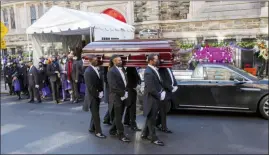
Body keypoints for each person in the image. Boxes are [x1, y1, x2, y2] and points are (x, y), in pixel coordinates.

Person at [141, 53, 166, 146]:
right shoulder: (148, 72)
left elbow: (158, 83)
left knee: (150, 117)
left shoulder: (153, 70)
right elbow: (151, 88)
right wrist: (159, 95)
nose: (158, 60)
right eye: (156, 59)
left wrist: (162, 91)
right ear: (151, 60)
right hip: (151, 99)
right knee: (152, 119)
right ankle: (153, 138)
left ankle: (144, 134)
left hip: (154, 98)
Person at [107, 54, 130, 142]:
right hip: (116, 97)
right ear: (114, 62)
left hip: (123, 95)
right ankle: (121, 135)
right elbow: (113, 87)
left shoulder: (122, 69)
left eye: (120, 60)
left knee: (119, 116)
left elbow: (125, 81)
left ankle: (112, 130)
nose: (120, 61)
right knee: (119, 117)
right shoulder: (111, 71)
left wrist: (126, 92)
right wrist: (123, 94)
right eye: (118, 60)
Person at [84, 55, 106, 139]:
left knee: (95, 113)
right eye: (95, 60)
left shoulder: (96, 69)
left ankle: (91, 127)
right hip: (92, 97)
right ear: (90, 61)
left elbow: (98, 82)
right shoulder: (88, 71)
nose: (97, 61)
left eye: (97, 60)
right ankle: (98, 132)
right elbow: (90, 87)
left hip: (96, 95)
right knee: (96, 115)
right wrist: (98, 94)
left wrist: (101, 92)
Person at [156, 67, 178, 133]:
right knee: (163, 110)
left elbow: (172, 77)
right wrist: (171, 88)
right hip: (165, 91)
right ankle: (164, 127)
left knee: (166, 109)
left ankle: (156, 123)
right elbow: (163, 81)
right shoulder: (162, 69)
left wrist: (176, 85)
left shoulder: (169, 68)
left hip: (169, 91)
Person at [123, 67, 142, 131]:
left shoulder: (132, 68)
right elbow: (129, 80)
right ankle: (133, 124)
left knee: (129, 106)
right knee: (132, 107)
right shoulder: (130, 68)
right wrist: (135, 86)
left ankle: (126, 121)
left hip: (131, 89)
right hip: (131, 89)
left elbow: (137, 78)